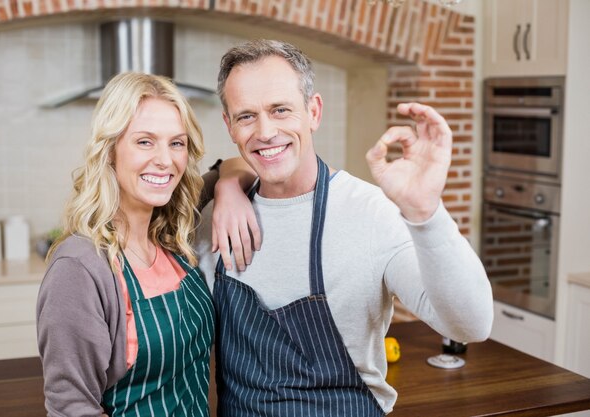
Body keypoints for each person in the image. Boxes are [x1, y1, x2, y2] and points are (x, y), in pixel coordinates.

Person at [196, 39, 494, 416]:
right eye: (246, 116)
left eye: (281, 110)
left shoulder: (370, 214)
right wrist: (226, 182)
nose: (266, 131)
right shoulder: (215, 221)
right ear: (230, 126)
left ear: (314, 111)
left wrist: (426, 212)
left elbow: (472, 325)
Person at [36, 72, 257, 417]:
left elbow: (240, 163)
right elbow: (72, 408)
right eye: (144, 142)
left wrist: (228, 187)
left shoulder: (173, 228)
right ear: (109, 150)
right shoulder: (80, 268)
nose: (165, 160)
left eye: (177, 143)